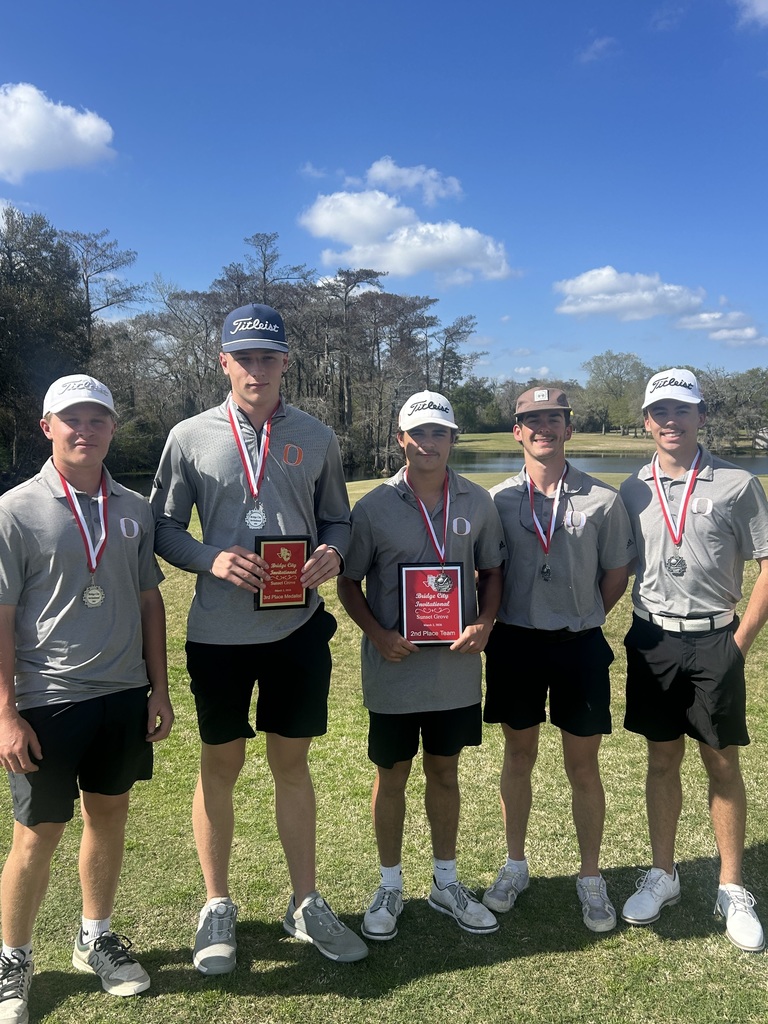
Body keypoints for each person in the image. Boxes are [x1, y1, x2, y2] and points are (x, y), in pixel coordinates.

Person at [151, 302, 367, 971]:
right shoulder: (189, 436)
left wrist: (332, 555)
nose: (256, 368)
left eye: (268, 357)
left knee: (291, 766)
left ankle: (305, 902)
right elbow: (161, 527)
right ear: (223, 361)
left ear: (284, 363)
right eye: (243, 357)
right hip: (217, 635)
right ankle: (217, 904)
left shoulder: (317, 437)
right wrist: (209, 558)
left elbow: (339, 521)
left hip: (296, 630)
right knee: (220, 766)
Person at [0, 375, 173, 1024]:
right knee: (36, 836)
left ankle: (93, 936)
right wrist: (4, 713)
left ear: (111, 428)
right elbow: (1, 615)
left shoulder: (133, 508)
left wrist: (158, 687)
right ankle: (12, 957)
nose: (85, 429)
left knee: (109, 819)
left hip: (124, 695)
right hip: (46, 701)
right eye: (71, 418)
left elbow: (150, 601)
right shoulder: (14, 509)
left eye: (97, 418)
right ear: (47, 427)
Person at [337, 390, 504, 940]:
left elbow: (493, 572)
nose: (428, 442)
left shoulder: (478, 503)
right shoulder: (374, 508)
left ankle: (445, 881)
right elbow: (348, 581)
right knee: (392, 777)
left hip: (453, 671)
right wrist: (379, 634)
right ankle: (389, 882)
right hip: (395, 670)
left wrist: (485, 622)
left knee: (445, 771)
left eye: (439, 432)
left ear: (453, 439)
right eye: (418, 433)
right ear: (401, 439)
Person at [619, 368, 768, 952]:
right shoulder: (632, 487)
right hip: (653, 638)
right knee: (662, 759)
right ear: (648, 420)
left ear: (701, 415)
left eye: (682, 410)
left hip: (716, 638)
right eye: (660, 412)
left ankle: (731, 884)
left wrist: (740, 642)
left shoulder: (737, 483)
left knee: (722, 763)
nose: (670, 421)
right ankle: (665, 874)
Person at [481, 386, 634, 933]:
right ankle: (515, 864)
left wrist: (584, 611)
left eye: (554, 418)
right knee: (518, 757)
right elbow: (486, 574)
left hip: (579, 645)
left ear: (570, 427)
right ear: (517, 431)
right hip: (515, 643)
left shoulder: (604, 498)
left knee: (582, 766)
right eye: (532, 419)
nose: (544, 427)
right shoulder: (496, 500)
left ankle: (590, 876)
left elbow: (615, 574)